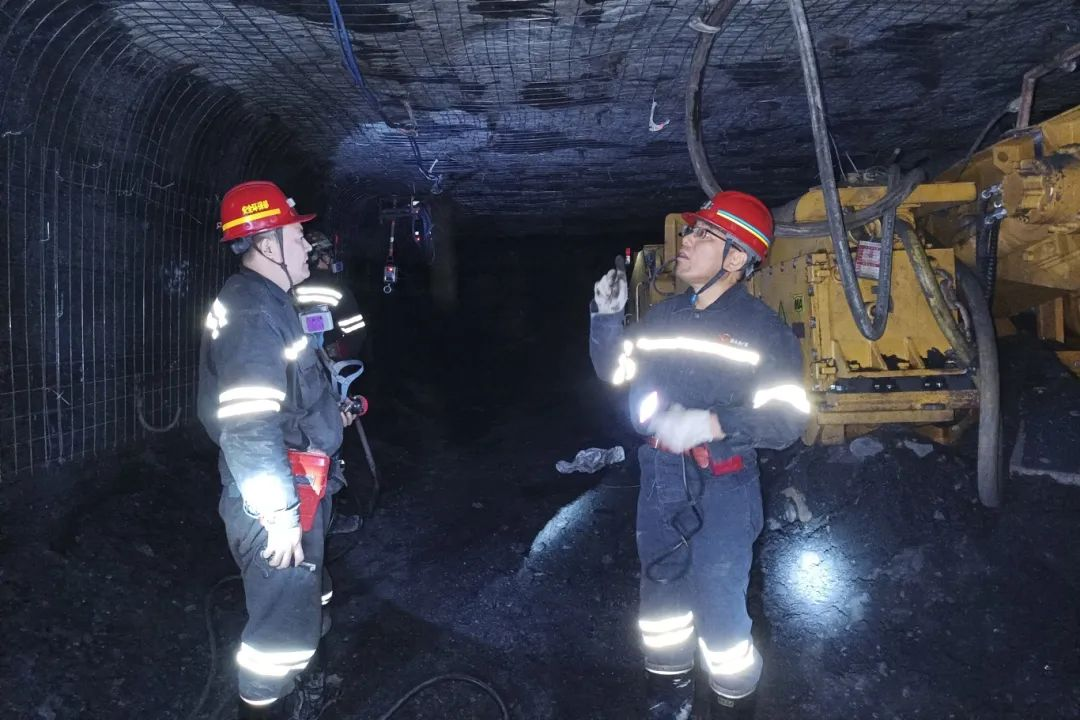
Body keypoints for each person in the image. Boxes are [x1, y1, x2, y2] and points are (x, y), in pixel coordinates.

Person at [588, 191, 810, 719]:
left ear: (735, 258)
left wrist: (713, 424)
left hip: (724, 486)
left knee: (720, 611)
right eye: (692, 231)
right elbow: (615, 374)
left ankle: (732, 705)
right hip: (659, 478)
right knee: (660, 602)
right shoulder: (663, 317)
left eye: (704, 234)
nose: (686, 241)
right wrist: (606, 318)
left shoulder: (762, 330)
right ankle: (669, 701)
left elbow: (789, 419)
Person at [197, 181, 355, 719]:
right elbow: (248, 425)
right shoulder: (252, 315)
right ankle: (264, 705)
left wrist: (331, 416)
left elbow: (290, 397)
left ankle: (309, 680)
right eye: (296, 234)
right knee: (277, 638)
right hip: (279, 491)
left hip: (299, 479)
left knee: (307, 597)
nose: (308, 244)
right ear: (267, 244)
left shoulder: (269, 301)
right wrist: (279, 517)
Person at [294, 230, 367, 362]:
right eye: (327, 254)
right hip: (329, 363)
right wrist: (330, 355)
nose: (331, 258)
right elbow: (356, 334)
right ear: (315, 257)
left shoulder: (291, 287)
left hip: (298, 362)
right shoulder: (338, 292)